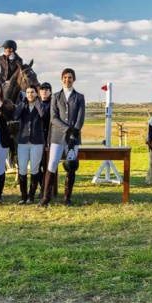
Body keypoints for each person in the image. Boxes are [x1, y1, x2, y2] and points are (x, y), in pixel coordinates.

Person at [41, 68, 85, 207]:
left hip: (74, 138)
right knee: (52, 164)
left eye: (70, 77)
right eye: (65, 77)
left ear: (74, 79)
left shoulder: (79, 97)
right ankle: (46, 197)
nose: (67, 80)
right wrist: (68, 130)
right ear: (62, 79)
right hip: (58, 136)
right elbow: (53, 117)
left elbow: (80, 118)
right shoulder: (55, 96)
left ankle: (67, 197)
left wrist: (74, 132)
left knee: (71, 166)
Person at [14, 84, 49, 205]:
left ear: (36, 93)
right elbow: (15, 115)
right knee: (22, 169)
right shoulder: (22, 105)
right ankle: (23, 196)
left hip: (37, 141)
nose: (30, 95)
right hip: (23, 142)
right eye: (28, 92)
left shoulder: (42, 105)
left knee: (34, 169)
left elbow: (43, 115)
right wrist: (22, 104)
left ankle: (31, 196)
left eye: (32, 92)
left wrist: (37, 102)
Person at [33, 82, 53, 199]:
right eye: (42, 89)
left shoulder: (52, 104)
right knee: (37, 165)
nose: (44, 91)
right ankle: (43, 187)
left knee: (47, 165)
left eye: (46, 90)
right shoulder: (36, 103)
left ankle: (46, 190)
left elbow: (43, 114)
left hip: (48, 138)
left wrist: (36, 102)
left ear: (50, 92)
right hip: (37, 139)